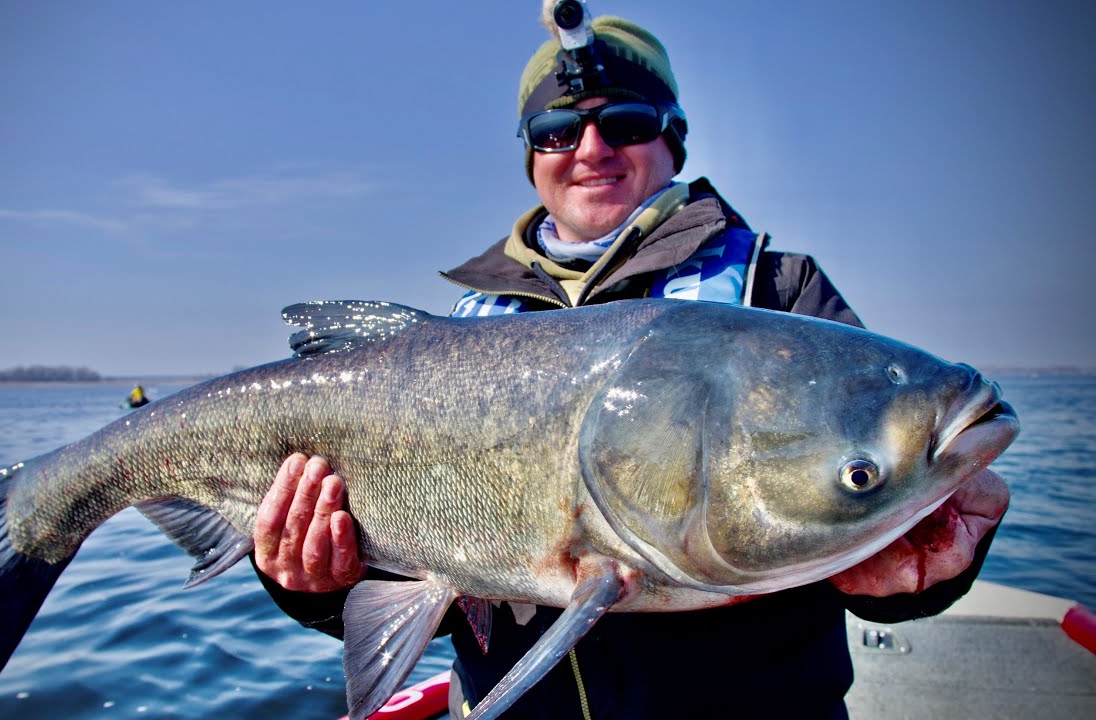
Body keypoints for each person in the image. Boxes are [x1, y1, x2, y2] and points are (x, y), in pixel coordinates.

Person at [249, 9, 1010, 719]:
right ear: (531, 158)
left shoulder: (780, 292)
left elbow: (865, 521)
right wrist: (315, 585)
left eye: (626, 121)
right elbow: (443, 607)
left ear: (672, 137)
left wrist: (926, 571)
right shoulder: (462, 334)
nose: (590, 149)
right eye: (554, 131)